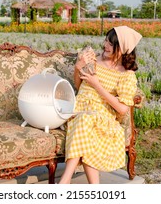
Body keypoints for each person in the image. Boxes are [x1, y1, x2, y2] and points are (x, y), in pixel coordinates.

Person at [58, 26, 142, 184]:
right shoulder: (94, 60)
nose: (105, 45)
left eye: (111, 44)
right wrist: (78, 66)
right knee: (85, 124)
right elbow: (79, 87)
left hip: (102, 114)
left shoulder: (126, 74)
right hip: (79, 108)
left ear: (122, 48)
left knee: (86, 122)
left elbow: (123, 109)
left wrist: (97, 85)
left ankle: (64, 181)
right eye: (105, 40)